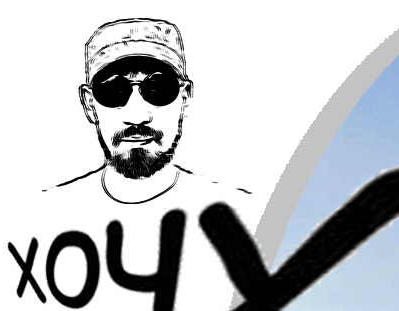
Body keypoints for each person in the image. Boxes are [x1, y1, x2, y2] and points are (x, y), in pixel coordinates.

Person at [46, 17, 252, 210]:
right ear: (89, 104)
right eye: (114, 91)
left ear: (185, 98)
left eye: (158, 89)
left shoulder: (243, 213)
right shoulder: (46, 213)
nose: (137, 116)